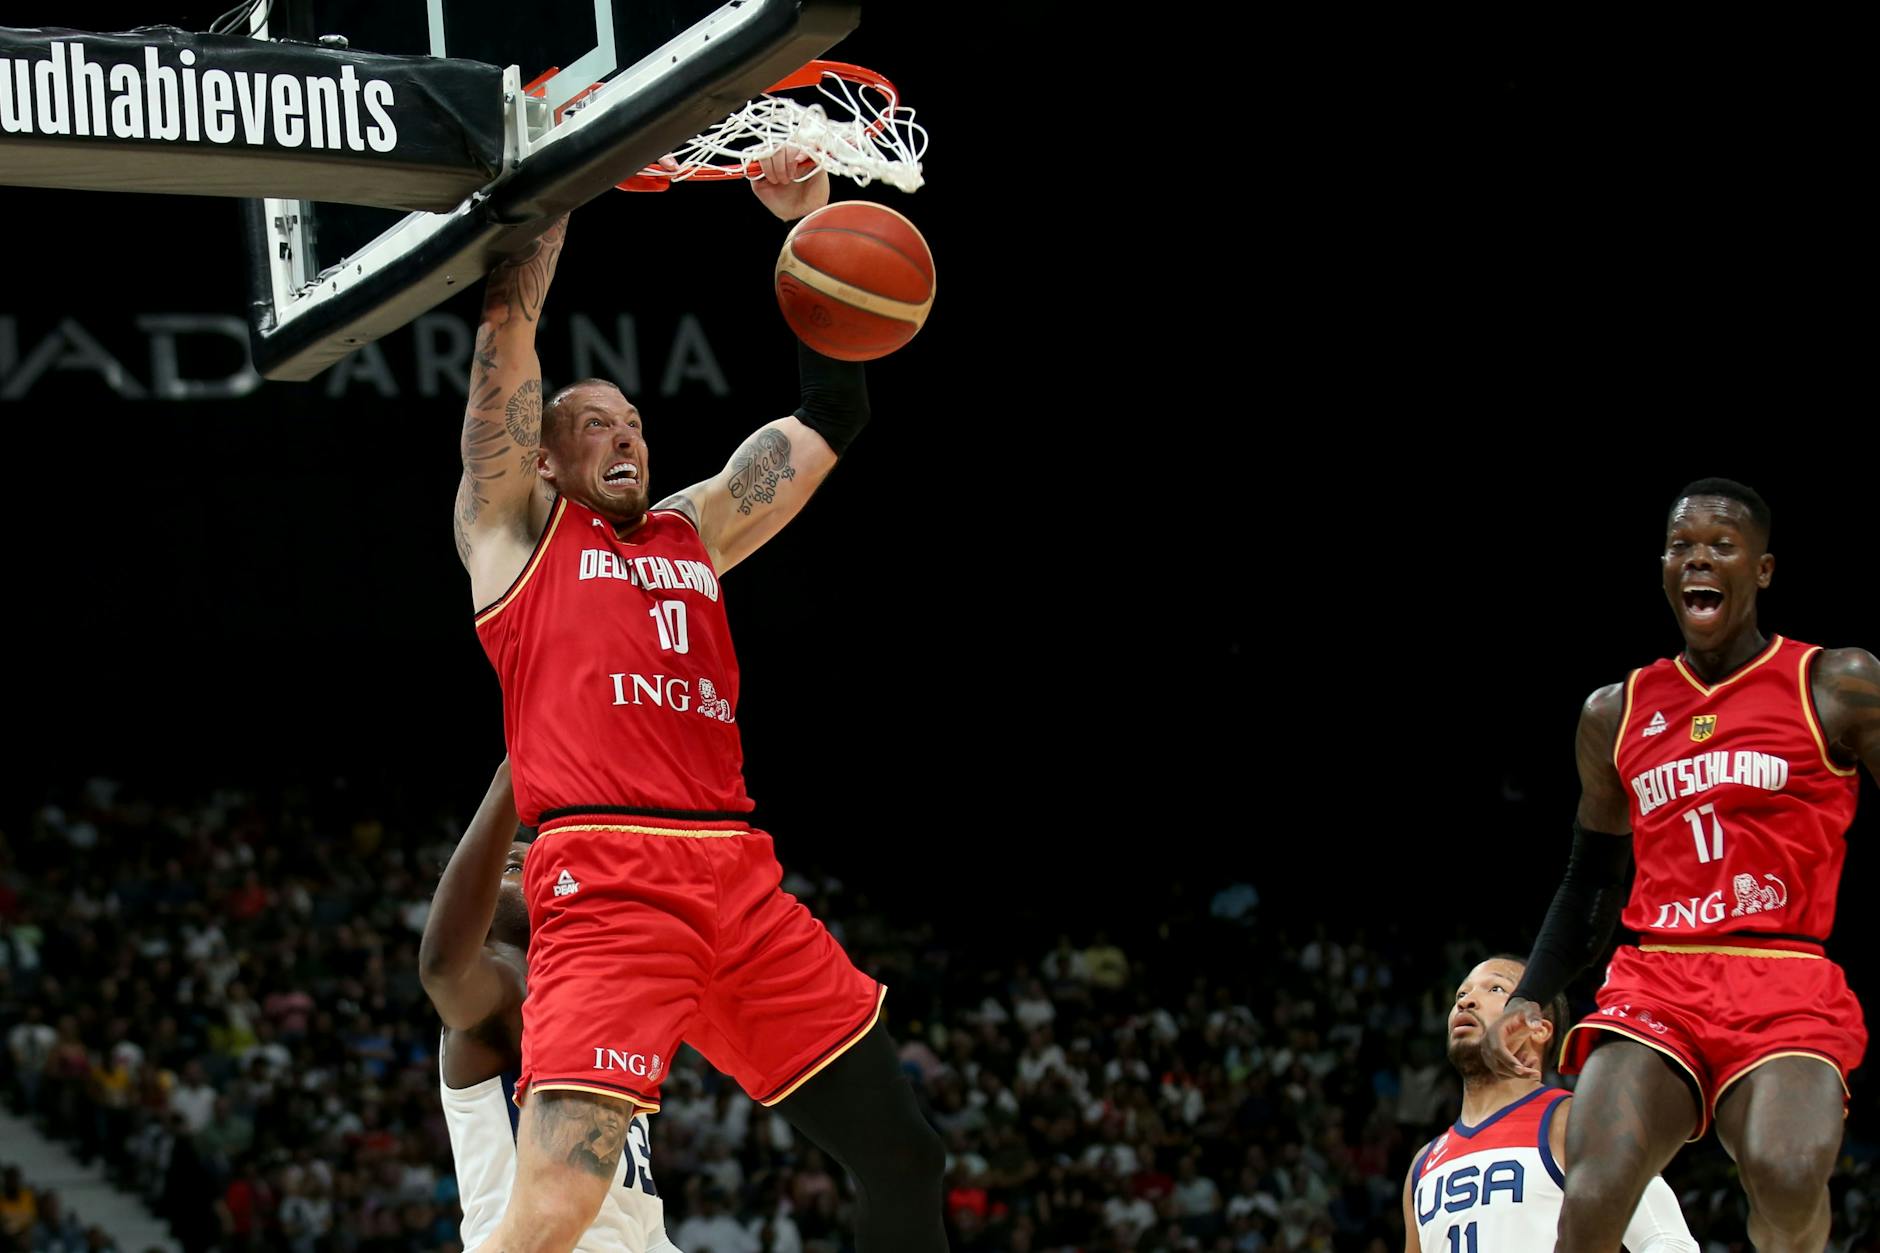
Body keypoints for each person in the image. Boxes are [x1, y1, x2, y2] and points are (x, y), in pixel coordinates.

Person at [450, 148, 945, 1253]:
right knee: (552, 1210)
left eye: (631, 421)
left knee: (905, 1150)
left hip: (737, 884)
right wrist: (560, 181)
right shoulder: (513, 541)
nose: (623, 432)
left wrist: (806, 221)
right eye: (593, 423)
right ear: (540, 456)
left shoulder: (696, 529)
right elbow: (505, 342)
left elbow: (831, 409)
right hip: (611, 887)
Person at [1485, 478, 1878, 1252]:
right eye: (1681, 546)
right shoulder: (1616, 711)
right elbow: (1591, 876)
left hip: (1785, 977)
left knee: (1787, 1171)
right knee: (1594, 1188)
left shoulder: (1836, 684)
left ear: (1762, 569)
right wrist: (1533, 992)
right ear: (1665, 567)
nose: (1698, 558)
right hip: (1657, 978)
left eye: (1721, 546)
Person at [420, 760, 679, 1252]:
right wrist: (512, 771)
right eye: (516, 867)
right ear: (477, 904)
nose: (540, 872)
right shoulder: (500, 991)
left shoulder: (588, 993)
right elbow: (440, 969)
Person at [1405, 955, 1696, 1252]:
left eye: (1495, 989)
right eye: (1462, 994)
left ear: (1538, 1028)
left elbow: (1668, 1241)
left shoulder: (1575, 1121)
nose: (1467, 1002)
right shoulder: (1423, 1162)